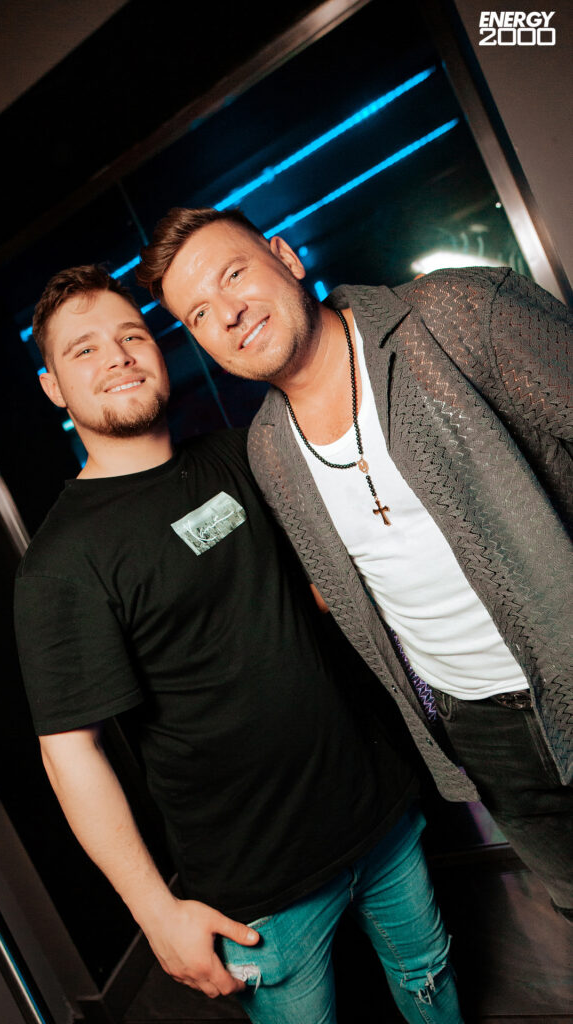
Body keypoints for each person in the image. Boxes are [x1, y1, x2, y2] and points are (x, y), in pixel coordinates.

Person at [14, 264, 464, 1023]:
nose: (117, 357)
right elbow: (69, 753)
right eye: (83, 350)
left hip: (376, 815)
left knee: (431, 980)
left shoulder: (239, 454)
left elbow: (314, 585)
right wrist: (156, 912)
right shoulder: (63, 563)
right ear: (52, 386)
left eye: (131, 337)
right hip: (259, 892)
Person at [138, 206, 573, 921]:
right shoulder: (269, 450)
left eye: (234, 274)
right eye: (199, 314)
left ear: (286, 257)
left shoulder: (455, 313)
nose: (229, 314)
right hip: (479, 732)